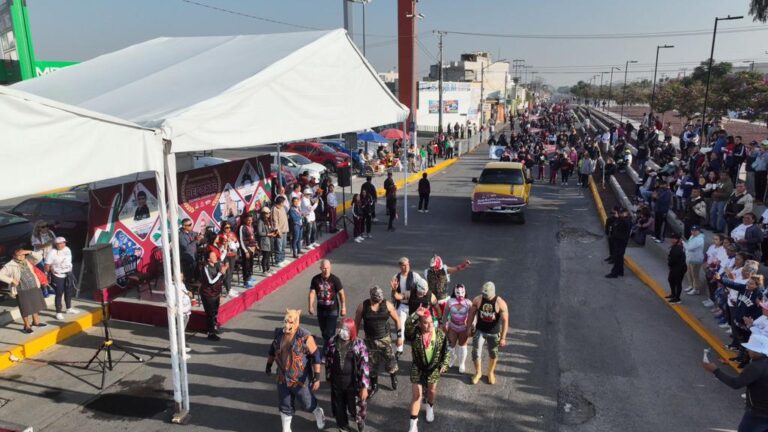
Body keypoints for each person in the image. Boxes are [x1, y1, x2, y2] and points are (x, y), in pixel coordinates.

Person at [266, 309, 326, 432]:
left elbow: (316, 356)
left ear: (296, 322)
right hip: (282, 377)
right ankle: (286, 429)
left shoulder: (305, 336)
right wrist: (269, 365)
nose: (287, 325)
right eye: (286, 322)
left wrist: (317, 377)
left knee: (307, 403)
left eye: (290, 322)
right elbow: (272, 351)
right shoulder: (278, 334)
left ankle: (318, 412)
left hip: (299, 378)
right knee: (285, 403)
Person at [703, 332, 768, 431]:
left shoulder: (755, 367)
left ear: (756, 351)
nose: (747, 350)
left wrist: (715, 371)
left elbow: (736, 384)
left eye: (750, 348)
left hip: (758, 413)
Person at [405, 305, 451, 432]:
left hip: (433, 369)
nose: (430, 325)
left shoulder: (440, 335)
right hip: (418, 368)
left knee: (431, 392)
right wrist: (415, 314)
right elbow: (408, 325)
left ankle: (430, 407)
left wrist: (444, 364)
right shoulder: (415, 334)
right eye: (425, 323)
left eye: (431, 322)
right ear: (419, 324)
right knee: (417, 395)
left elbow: (446, 351)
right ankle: (413, 424)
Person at [356, 284, 403, 400]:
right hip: (370, 340)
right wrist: (355, 339)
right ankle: (374, 385)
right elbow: (356, 323)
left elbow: (397, 320)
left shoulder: (387, 305)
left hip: (385, 339)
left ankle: (393, 376)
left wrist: (399, 337)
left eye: (380, 299)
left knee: (391, 361)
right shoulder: (363, 306)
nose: (379, 300)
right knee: (371, 364)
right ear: (371, 297)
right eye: (377, 299)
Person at [324, 318, 370, 432]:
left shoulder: (359, 344)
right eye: (340, 327)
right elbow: (328, 360)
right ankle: (342, 426)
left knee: (355, 407)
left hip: (353, 383)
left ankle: (359, 420)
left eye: (344, 328)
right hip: (337, 382)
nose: (340, 330)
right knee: (339, 406)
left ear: (351, 330)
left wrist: (364, 387)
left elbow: (365, 365)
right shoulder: (332, 341)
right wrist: (328, 376)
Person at [467, 281, 509, 385]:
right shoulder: (478, 299)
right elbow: (471, 314)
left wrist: (503, 338)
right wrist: (468, 328)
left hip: (494, 333)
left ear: (492, 292)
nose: (485, 296)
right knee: (475, 353)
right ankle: (478, 373)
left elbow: (505, 321)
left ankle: (490, 372)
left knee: (493, 353)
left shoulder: (500, 303)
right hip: (480, 331)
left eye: (487, 294)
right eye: (483, 293)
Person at [0, 247, 48, 333]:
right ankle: (27, 326)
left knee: (35, 305)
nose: (22, 256)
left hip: (33, 286)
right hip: (22, 289)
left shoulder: (28, 260)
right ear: (14, 256)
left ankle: (36, 322)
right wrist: (11, 280)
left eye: (23, 254)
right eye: (19, 255)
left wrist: (28, 251)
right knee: (25, 308)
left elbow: (39, 257)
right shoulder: (10, 265)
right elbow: (0, 275)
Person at [308, 259, 347, 356]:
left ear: (330, 268)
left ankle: (326, 354)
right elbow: (312, 293)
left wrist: (343, 307)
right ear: (320, 268)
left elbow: (341, 294)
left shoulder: (335, 280)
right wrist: (310, 306)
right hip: (321, 310)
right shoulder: (315, 279)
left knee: (329, 333)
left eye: (328, 268)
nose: (326, 270)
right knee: (324, 333)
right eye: (324, 268)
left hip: (332, 310)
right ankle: (333, 346)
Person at [390, 257, 424, 356]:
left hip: (414, 306)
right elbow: (394, 294)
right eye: (404, 265)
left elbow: (422, 288)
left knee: (418, 327)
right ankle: (399, 349)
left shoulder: (415, 276)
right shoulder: (396, 277)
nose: (406, 267)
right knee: (400, 326)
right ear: (400, 266)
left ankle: (420, 348)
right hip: (402, 306)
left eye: (408, 264)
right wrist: (393, 302)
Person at [44, 237, 79, 320]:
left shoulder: (67, 249)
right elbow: (46, 265)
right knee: (59, 293)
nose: (63, 244)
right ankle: (58, 312)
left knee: (69, 291)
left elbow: (68, 261)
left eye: (64, 242)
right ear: (56, 244)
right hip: (57, 275)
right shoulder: (52, 252)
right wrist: (47, 275)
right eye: (60, 243)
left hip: (68, 273)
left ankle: (69, 308)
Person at [443, 284, 472, 373]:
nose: (460, 295)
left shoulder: (469, 303)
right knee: (450, 347)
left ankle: (461, 363)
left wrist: (471, 327)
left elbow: (473, 316)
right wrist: (444, 324)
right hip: (453, 327)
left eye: (462, 293)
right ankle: (452, 358)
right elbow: (445, 314)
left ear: (465, 292)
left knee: (462, 346)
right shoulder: (450, 301)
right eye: (458, 293)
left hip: (463, 327)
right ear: (455, 293)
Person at [199, 251, 227, 341]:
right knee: (210, 314)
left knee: (215, 312)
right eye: (213, 256)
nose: (216, 257)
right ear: (208, 259)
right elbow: (210, 281)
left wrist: (223, 271)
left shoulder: (217, 265)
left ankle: (213, 328)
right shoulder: (205, 267)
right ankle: (211, 333)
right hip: (208, 294)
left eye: (215, 255)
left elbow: (220, 280)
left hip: (216, 293)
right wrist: (220, 273)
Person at [214, 221, 239, 298]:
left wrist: (233, 241)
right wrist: (224, 243)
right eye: (226, 227)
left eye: (229, 227)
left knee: (230, 272)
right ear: (223, 228)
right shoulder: (220, 235)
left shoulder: (232, 234)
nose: (228, 229)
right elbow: (217, 246)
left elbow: (237, 244)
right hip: (225, 256)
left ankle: (229, 287)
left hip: (232, 255)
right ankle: (228, 290)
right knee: (227, 273)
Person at [606, 208, 632, 278]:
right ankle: (620, 271)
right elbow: (614, 225)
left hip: (621, 241)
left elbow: (626, 226)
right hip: (617, 240)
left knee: (618, 256)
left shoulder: (627, 220)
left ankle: (614, 273)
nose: (620, 214)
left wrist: (621, 218)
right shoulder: (620, 220)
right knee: (620, 257)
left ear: (626, 213)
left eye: (621, 213)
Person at [682, 225, 705, 296]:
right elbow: (688, 244)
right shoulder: (692, 236)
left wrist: (683, 243)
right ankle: (691, 286)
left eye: (695, 230)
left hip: (696, 260)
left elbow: (689, 247)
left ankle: (696, 289)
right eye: (692, 230)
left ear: (699, 231)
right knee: (689, 273)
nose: (693, 232)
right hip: (689, 258)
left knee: (695, 275)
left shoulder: (699, 239)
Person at [179, 218, 204, 282]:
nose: (191, 226)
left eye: (191, 224)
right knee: (188, 277)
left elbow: (197, 243)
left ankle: (195, 286)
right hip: (187, 259)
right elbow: (186, 248)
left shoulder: (192, 233)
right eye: (189, 225)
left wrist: (200, 238)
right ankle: (189, 289)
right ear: (184, 226)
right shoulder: (181, 236)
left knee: (196, 275)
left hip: (194, 257)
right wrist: (196, 240)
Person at [666, 233, 687, 304]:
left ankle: (677, 298)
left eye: (674, 238)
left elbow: (673, 259)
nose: (672, 240)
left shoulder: (678, 247)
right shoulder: (675, 246)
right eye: (672, 238)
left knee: (677, 282)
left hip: (679, 268)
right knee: (671, 280)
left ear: (678, 240)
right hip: (675, 267)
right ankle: (673, 294)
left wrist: (669, 264)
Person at [257, 207, 278, 276]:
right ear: (263, 214)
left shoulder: (267, 220)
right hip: (264, 241)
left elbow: (269, 228)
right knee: (265, 256)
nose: (269, 214)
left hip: (269, 240)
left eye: (269, 213)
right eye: (267, 213)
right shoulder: (260, 221)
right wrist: (268, 234)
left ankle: (268, 268)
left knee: (268, 255)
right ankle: (264, 270)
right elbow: (259, 232)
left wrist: (274, 230)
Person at [238, 213, 257, 284]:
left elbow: (253, 236)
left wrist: (255, 244)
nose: (250, 222)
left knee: (251, 263)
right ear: (245, 220)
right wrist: (245, 251)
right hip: (246, 248)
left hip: (252, 248)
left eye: (251, 220)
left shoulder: (251, 226)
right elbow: (241, 240)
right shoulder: (242, 227)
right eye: (248, 220)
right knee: (246, 264)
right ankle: (246, 280)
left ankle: (250, 277)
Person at [272, 196, 289, 267]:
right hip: (279, 231)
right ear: (280, 202)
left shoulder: (283, 208)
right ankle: (278, 261)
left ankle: (282, 259)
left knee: (283, 245)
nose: (284, 203)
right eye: (283, 202)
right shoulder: (275, 209)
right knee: (278, 246)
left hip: (285, 229)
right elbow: (275, 221)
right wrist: (277, 231)